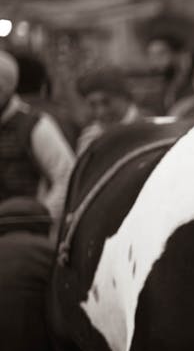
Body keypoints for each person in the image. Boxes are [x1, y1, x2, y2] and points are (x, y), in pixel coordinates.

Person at [0, 50, 74, 229]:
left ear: (6, 89)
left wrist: (41, 216)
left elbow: (67, 174)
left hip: (19, 235)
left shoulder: (35, 125)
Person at [76, 67, 142, 154]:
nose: (100, 112)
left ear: (124, 97)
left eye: (106, 102)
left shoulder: (150, 127)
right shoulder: (91, 138)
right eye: (93, 105)